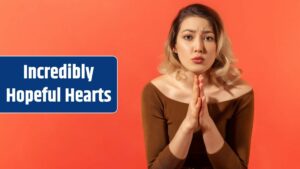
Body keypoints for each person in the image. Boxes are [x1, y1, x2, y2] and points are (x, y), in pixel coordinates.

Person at [141, 3, 254, 169]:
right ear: (174, 47)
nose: (198, 48)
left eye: (208, 38)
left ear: (218, 47)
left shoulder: (241, 94)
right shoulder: (155, 92)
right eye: (188, 37)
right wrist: (188, 125)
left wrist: (207, 124)